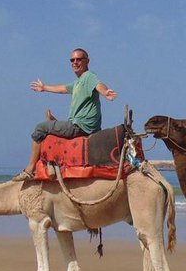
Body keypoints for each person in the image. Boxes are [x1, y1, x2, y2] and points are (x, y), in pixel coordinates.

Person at [15, 48, 117, 179]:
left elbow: (98, 84)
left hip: (80, 126)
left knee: (41, 128)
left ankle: (30, 169)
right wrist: (44, 87)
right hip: (79, 124)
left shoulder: (88, 77)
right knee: (52, 125)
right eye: (72, 60)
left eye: (79, 59)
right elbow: (63, 88)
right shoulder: (78, 83)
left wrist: (105, 92)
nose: (75, 62)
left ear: (87, 61)